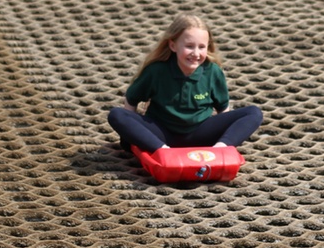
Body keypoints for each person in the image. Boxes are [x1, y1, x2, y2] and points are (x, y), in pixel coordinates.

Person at [108, 14, 263, 154]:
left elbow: (223, 111)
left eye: (202, 47)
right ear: (173, 45)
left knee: (253, 112)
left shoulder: (212, 71)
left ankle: (219, 151)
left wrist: (224, 139)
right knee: (117, 114)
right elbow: (131, 100)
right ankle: (164, 152)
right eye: (189, 46)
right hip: (161, 134)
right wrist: (130, 136)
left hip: (200, 134)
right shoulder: (156, 71)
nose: (196, 53)